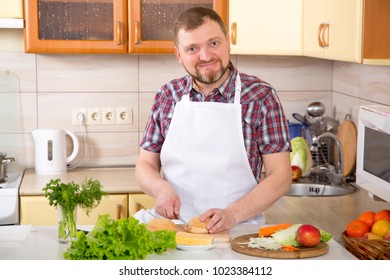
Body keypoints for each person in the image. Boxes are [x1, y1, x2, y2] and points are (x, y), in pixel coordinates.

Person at [135, 7, 292, 234]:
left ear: (228, 42)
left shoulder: (260, 96)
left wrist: (233, 214)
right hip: (175, 226)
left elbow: (281, 176)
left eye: (214, 43)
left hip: (238, 227)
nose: (206, 56)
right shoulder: (167, 95)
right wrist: (160, 189)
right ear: (179, 55)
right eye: (192, 49)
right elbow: (145, 165)